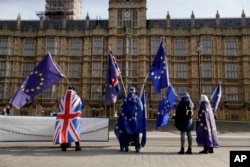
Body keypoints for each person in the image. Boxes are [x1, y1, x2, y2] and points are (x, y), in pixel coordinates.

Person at [114, 86, 144, 153]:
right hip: (135, 121)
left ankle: (126, 147)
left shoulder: (125, 99)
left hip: (126, 121)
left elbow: (121, 110)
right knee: (136, 134)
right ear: (134, 91)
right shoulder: (137, 99)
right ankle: (137, 148)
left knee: (127, 134)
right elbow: (141, 109)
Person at [53, 86, 83, 151]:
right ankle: (77, 146)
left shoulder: (63, 98)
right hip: (74, 117)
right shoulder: (77, 97)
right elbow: (80, 106)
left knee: (63, 130)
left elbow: (60, 107)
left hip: (62, 118)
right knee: (75, 130)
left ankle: (64, 146)